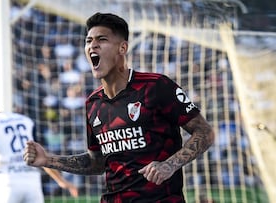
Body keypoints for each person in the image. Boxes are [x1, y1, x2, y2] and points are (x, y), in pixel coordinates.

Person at [23, 12, 215, 203]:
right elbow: (97, 162)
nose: (93, 45)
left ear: (122, 47)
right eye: (88, 40)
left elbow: (205, 132)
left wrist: (169, 165)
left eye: (102, 39)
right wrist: (49, 160)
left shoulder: (156, 86)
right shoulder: (93, 103)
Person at [0, 93, 78, 203]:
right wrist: (61, 180)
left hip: (7, 181)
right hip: (32, 182)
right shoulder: (25, 121)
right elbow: (41, 156)